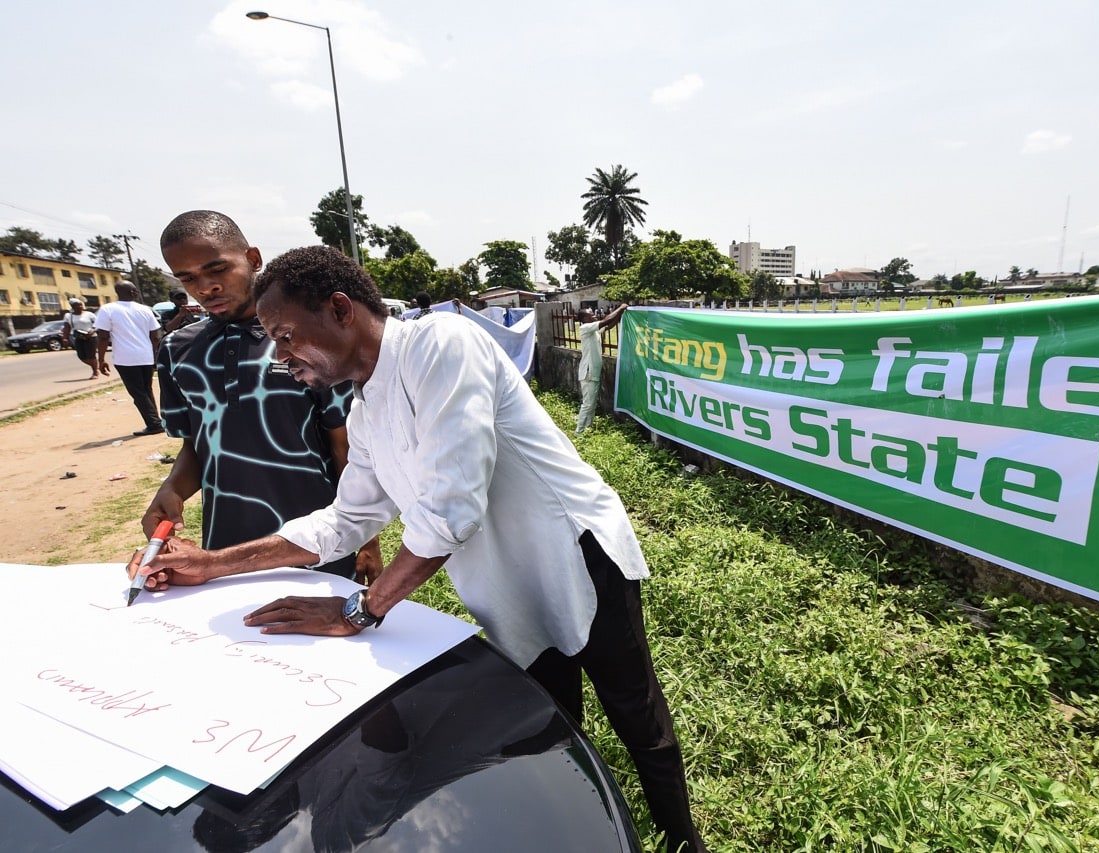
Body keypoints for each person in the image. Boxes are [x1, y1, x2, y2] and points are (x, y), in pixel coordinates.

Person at [141, 246, 707, 853]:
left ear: (339, 309)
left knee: (633, 710)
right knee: (550, 718)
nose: (280, 357)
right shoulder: (365, 411)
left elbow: (450, 509)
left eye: (285, 336)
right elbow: (345, 520)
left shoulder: (441, 344)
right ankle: (585, 826)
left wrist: (361, 610)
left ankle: (681, 837)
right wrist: (211, 563)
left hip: (573, 553)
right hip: (499, 577)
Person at [148, 211, 381, 582]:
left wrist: (367, 538)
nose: (206, 287)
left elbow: (345, 446)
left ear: (253, 259)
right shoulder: (177, 349)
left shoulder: (303, 336)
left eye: (218, 269)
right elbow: (197, 445)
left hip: (317, 543)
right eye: (188, 278)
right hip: (223, 547)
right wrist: (172, 488)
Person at [95, 280, 164, 435]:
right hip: (145, 356)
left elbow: (103, 337)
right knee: (146, 390)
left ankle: (154, 424)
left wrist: (101, 359)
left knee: (138, 392)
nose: (137, 293)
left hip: (125, 358)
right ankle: (156, 420)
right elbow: (155, 335)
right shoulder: (145, 310)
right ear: (131, 292)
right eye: (135, 290)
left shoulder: (108, 309)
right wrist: (155, 354)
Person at [575, 303, 628, 434]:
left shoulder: (593, 330)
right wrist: (620, 308)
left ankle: (587, 429)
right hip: (588, 373)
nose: (594, 315)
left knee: (592, 404)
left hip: (593, 372)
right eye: (590, 314)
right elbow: (605, 321)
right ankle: (579, 432)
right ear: (585, 318)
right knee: (588, 404)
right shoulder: (585, 328)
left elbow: (608, 325)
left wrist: (620, 315)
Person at [62, 298, 104, 378]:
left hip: (91, 337)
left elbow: (98, 324)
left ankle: (95, 372)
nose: (80, 307)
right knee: (82, 356)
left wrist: (93, 330)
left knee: (91, 355)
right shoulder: (68, 316)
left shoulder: (89, 314)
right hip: (79, 337)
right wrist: (65, 338)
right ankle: (96, 366)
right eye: (77, 306)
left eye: (81, 305)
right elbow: (66, 328)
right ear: (73, 307)